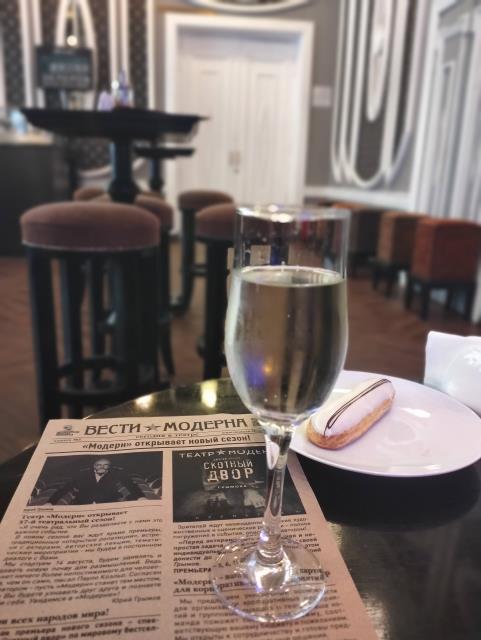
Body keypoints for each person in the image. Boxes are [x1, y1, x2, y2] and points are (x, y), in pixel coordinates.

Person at [46, 457, 144, 505]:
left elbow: (131, 485)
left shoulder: (116, 473)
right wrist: (50, 502)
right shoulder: (82, 474)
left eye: (105, 465)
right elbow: (65, 488)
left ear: (109, 467)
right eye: (98, 465)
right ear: (94, 466)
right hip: (82, 505)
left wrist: (141, 498)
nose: (102, 467)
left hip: (108, 505)